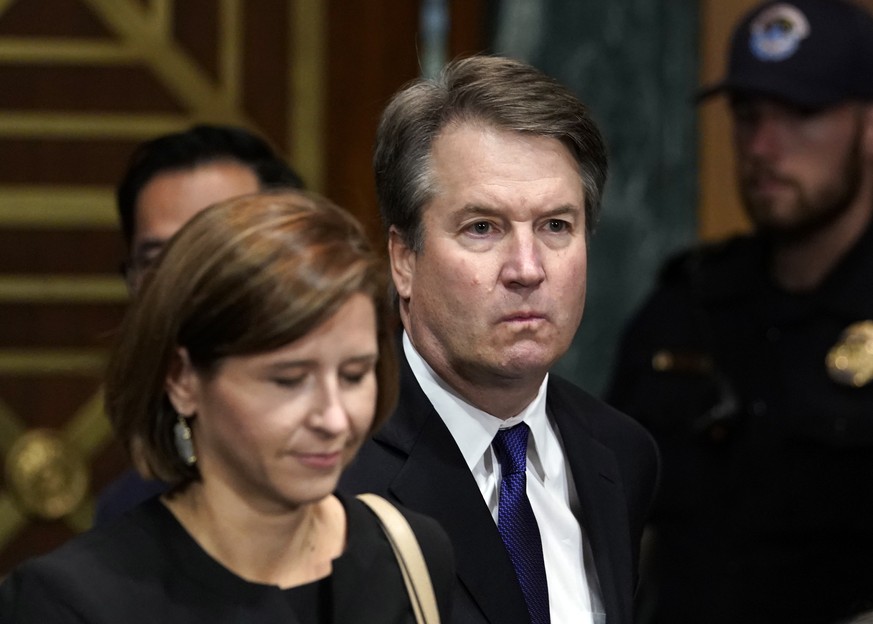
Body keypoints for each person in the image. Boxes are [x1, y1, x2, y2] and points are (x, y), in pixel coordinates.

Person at [0, 192, 455, 622]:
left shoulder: (410, 554)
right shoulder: (69, 602)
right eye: (289, 381)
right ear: (182, 379)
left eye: (354, 375)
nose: (334, 418)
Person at [339, 55, 660, 624]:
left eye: (555, 226)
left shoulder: (621, 455)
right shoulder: (332, 461)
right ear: (403, 259)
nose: (527, 268)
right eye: (482, 228)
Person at [605, 1, 873, 622]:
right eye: (748, 117)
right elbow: (600, 510)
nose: (762, 146)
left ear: (867, 127)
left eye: (801, 115)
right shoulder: (689, 304)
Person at [97, 123, 305, 523]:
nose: (185, 280)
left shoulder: (371, 464)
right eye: (158, 260)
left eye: (217, 250)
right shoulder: (128, 510)